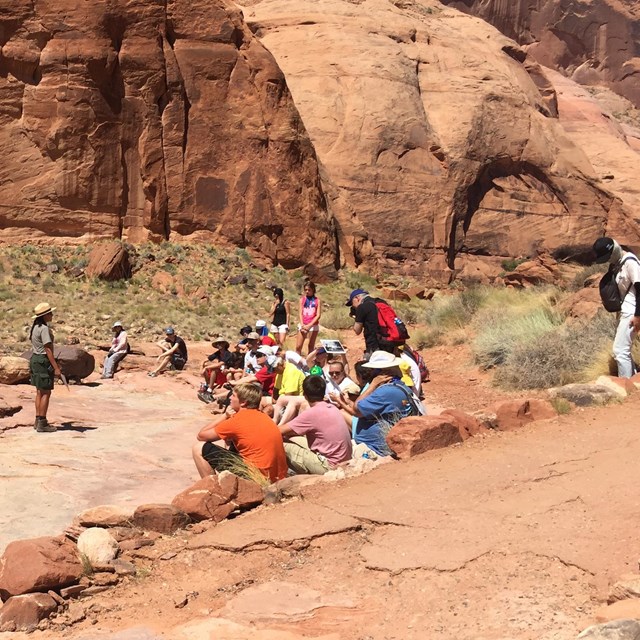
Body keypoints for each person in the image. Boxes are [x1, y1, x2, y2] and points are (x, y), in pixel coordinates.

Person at [192, 382, 288, 483]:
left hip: (256, 478)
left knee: (198, 448)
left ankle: (211, 487)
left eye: (233, 396)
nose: (230, 398)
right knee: (232, 441)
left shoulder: (237, 421)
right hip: (277, 478)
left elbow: (201, 436)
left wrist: (224, 416)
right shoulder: (264, 416)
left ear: (243, 403)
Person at [342, 350, 425, 456]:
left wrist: (372, 385)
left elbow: (357, 409)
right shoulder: (398, 385)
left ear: (380, 373)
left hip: (375, 450)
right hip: (377, 445)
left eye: (373, 370)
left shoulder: (385, 392)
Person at [279, 376, 352, 474]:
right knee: (294, 439)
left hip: (330, 466)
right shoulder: (332, 407)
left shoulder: (311, 414)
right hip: (344, 459)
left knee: (282, 444)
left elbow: (277, 431)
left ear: (305, 395)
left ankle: (279, 474)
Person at [593, 237, 640, 377]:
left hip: (631, 312)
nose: (607, 260)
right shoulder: (617, 263)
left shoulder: (631, 263)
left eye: (608, 256)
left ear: (614, 250)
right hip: (624, 311)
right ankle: (632, 381)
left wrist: (638, 316)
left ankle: (625, 387)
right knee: (623, 349)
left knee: (620, 351)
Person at [29, 302, 62, 433]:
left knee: (39, 391)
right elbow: (48, 349)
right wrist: (56, 367)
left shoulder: (35, 327)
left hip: (35, 359)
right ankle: (42, 422)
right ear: (45, 315)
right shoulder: (44, 329)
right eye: (50, 313)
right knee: (46, 392)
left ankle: (38, 420)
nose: (52, 315)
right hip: (43, 360)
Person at [296, 281, 321, 355]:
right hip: (303, 324)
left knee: (311, 346)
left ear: (313, 290)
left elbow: (318, 315)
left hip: (313, 325)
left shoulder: (317, 301)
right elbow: (300, 313)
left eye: (309, 290)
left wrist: (310, 325)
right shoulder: (302, 300)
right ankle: (297, 364)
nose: (307, 291)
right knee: (298, 346)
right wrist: (302, 324)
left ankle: (310, 364)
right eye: (305, 290)